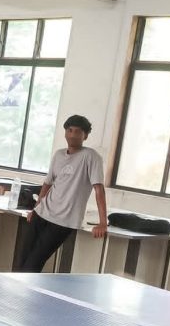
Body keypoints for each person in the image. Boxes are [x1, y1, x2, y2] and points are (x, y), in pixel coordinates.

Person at [18, 114, 108, 272]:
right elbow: (47, 184)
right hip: (41, 213)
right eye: (69, 130)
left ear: (85, 136)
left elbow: (99, 190)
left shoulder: (91, 157)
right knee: (22, 259)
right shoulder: (59, 154)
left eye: (78, 132)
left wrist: (102, 223)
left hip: (63, 221)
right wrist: (36, 208)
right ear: (65, 132)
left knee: (34, 263)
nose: (72, 135)